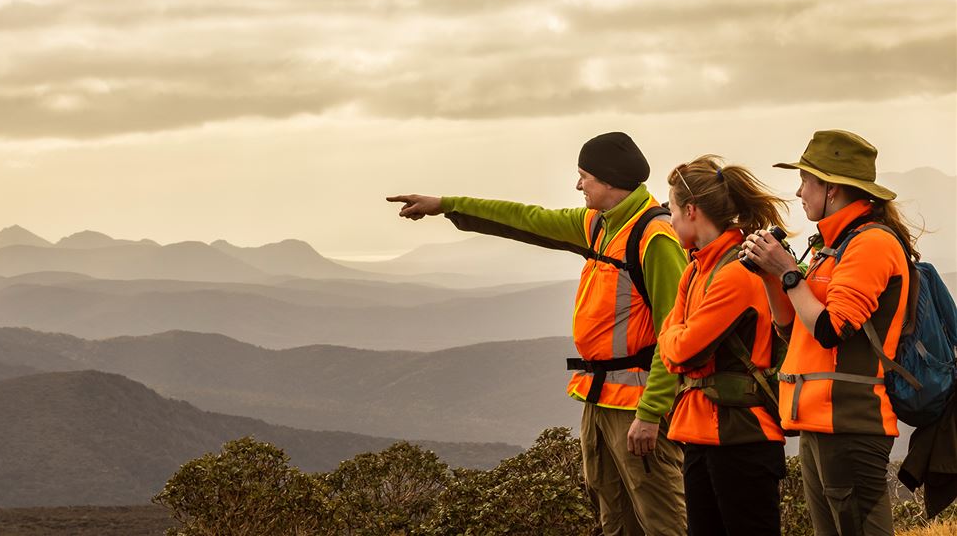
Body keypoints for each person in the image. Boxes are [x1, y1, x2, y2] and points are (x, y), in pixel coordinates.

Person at [388, 131, 688, 536]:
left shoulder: (654, 237)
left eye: (585, 176)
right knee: (614, 519)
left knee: (662, 521)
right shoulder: (599, 224)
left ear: (611, 180)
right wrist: (447, 205)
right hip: (599, 398)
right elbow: (525, 217)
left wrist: (651, 413)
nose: (578, 185)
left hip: (638, 407)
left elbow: (675, 332)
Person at [742, 129, 918, 536]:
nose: (800, 190)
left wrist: (787, 272)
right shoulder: (832, 247)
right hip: (820, 422)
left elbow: (830, 329)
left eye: (807, 180)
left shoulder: (871, 244)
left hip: (851, 423)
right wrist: (771, 277)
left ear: (833, 189)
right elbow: (792, 328)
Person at [655, 155, 788, 536]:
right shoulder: (696, 268)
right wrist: (674, 338)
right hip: (700, 435)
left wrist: (673, 338)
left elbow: (682, 351)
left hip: (741, 438)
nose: (671, 218)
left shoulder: (737, 273)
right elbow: (673, 339)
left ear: (692, 210)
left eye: (673, 208)